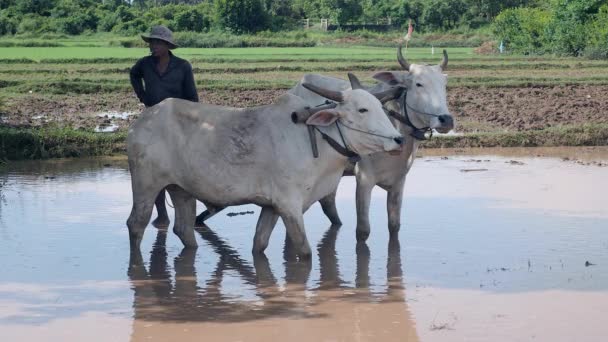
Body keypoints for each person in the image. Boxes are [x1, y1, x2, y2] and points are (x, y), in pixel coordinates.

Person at [130, 25, 199, 227]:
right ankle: (162, 214)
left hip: (177, 123)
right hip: (153, 122)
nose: (153, 46)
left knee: (183, 166)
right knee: (155, 169)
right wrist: (142, 96)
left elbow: (192, 97)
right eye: (151, 42)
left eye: (157, 43)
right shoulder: (145, 64)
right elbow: (133, 75)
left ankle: (187, 213)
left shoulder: (182, 66)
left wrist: (192, 123)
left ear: (167, 45)